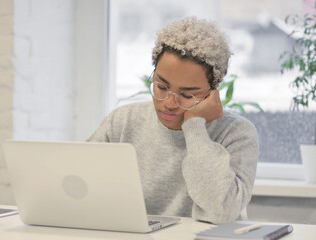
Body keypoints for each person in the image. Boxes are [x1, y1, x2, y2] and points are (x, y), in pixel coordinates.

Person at [87, 17, 259, 224]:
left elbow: (220, 212)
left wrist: (194, 125)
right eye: (161, 87)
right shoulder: (122, 122)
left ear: (212, 93)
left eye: (187, 95)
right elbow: (77, 183)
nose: (169, 103)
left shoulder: (237, 133)